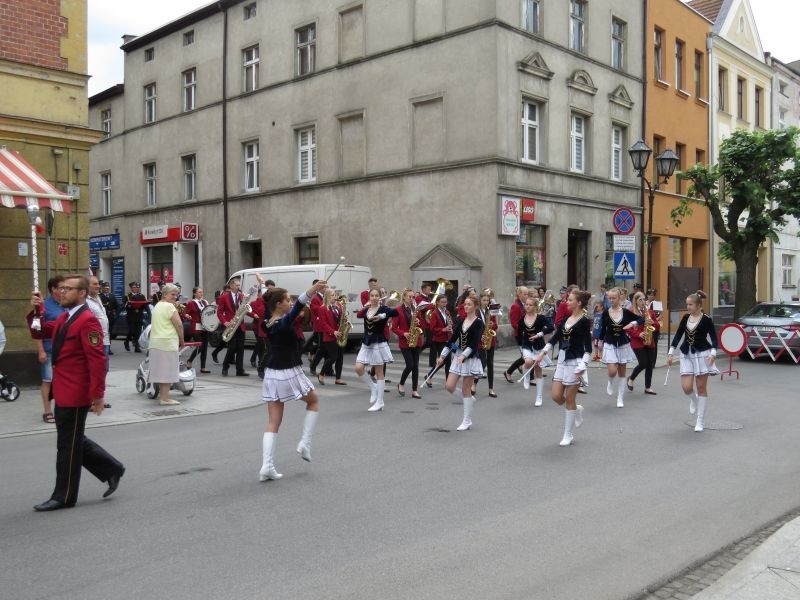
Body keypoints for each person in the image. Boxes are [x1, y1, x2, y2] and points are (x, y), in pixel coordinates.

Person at [28, 275, 125, 511]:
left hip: (77, 391)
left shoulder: (88, 321)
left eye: (68, 289)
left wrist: (98, 395)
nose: (62, 293)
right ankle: (112, 468)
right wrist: (37, 310)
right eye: (61, 289)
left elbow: (97, 361)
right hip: (63, 389)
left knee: (67, 446)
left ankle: (64, 496)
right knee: (72, 439)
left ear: (81, 293)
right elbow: (40, 332)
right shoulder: (65, 317)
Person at [258, 280, 328, 480]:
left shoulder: (266, 320)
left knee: (273, 422)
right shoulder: (283, 322)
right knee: (313, 401)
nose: (291, 302)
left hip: (272, 373)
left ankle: (267, 466)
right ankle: (305, 443)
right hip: (289, 371)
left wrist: (264, 287)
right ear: (279, 304)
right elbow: (299, 305)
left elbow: (268, 302)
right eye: (287, 299)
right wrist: (313, 290)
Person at [533, 289, 592, 446]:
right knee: (556, 396)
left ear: (579, 303)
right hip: (562, 360)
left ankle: (568, 434)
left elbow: (588, 347)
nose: (567, 302)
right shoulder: (566, 318)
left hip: (576, 362)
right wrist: (542, 353)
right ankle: (576, 409)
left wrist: (583, 364)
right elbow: (555, 338)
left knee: (570, 398)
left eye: (570, 299)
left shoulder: (585, 321)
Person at [667, 290, 719, 432]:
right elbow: (678, 335)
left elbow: (714, 338)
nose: (688, 307)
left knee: (701, 388)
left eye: (690, 304)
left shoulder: (706, 319)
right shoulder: (685, 318)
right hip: (686, 354)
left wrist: (713, 353)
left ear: (698, 306)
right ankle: (694, 400)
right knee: (686, 387)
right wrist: (671, 352)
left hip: (702, 354)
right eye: (687, 304)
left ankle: (700, 421)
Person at [435, 293, 484, 431]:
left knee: (465, 389)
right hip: (458, 356)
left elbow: (474, 343)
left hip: (470, 358)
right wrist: (442, 357)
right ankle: (467, 399)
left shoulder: (478, 322)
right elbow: (451, 340)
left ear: (475, 306)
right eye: (465, 304)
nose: (466, 306)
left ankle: (467, 420)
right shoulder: (462, 321)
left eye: (469, 304)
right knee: (449, 386)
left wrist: (464, 356)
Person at [355, 288, 399, 411]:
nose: (374, 298)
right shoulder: (367, 309)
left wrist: (382, 316)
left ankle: (380, 402)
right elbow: (359, 315)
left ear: (379, 297)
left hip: (378, 343)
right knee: (358, 368)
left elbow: (396, 313)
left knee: (379, 372)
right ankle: (373, 387)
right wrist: (365, 307)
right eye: (372, 295)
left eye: (376, 296)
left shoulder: (383, 308)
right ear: (369, 297)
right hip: (366, 342)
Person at [599, 286, 643, 408]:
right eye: (610, 298)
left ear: (619, 298)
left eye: (614, 298)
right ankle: (610, 381)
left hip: (623, 342)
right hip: (609, 342)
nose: (611, 300)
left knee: (622, 371)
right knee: (612, 370)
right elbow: (603, 329)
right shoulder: (606, 313)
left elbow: (640, 319)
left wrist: (632, 324)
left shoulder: (626, 312)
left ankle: (620, 398)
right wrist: (600, 343)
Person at [31, 275, 65, 423]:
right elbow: (36, 329)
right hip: (50, 349)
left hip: (66, 350)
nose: (65, 290)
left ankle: (62, 409)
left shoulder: (68, 303)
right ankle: (47, 411)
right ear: (53, 289)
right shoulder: (43, 306)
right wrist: (41, 350)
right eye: (62, 288)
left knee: (62, 381)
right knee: (48, 380)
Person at [147, 283, 185, 404]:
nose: (175, 297)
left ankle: (163, 397)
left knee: (160, 371)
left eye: (176, 294)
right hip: (167, 342)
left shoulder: (157, 305)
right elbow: (179, 325)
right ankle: (164, 398)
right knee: (168, 371)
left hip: (155, 342)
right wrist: (182, 340)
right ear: (164, 295)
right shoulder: (170, 307)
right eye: (172, 294)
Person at [517, 297, 553, 406]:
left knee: (538, 370)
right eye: (526, 304)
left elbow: (551, 327)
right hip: (527, 345)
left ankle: (539, 397)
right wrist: (520, 347)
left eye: (530, 305)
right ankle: (526, 374)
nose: (527, 306)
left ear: (535, 306)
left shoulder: (540, 318)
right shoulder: (522, 319)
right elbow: (519, 334)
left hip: (538, 346)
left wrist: (540, 334)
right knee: (528, 362)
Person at [627, 291, 661, 395]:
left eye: (643, 299)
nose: (642, 302)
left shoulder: (649, 312)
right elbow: (628, 328)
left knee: (650, 364)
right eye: (640, 300)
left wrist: (653, 323)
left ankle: (648, 387)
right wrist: (638, 334)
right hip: (637, 341)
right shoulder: (631, 312)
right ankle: (631, 378)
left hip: (649, 340)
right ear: (636, 301)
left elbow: (657, 325)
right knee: (643, 363)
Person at [391, 289, 424, 398]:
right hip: (405, 341)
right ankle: (401, 383)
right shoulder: (398, 310)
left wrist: (419, 322)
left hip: (416, 340)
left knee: (416, 366)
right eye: (409, 297)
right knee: (410, 365)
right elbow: (394, 328)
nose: (411, 299)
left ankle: (414, 390)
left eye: (413, 297)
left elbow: (420, 324)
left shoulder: (416, 309)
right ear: (404, 297)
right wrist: (403, 333)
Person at [216, 277, 251, 376]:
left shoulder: (241, 296)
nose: (238, 287)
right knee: (232, 347)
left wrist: (252, 312)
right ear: (231, 286)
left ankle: (240, 370)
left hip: (240, 325)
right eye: (237, 285)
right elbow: (219, 312)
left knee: (241, 348)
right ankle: (225, 367)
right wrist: (225, 322)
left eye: (239, 285)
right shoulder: (224, 297)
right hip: (231, 325)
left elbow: (245, 308)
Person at [316, 289, 346, 386]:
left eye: (335, 295)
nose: (335, 297)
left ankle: (338, 378)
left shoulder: (338, 306)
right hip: (330, 336)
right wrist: (333, 332)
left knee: (340, 357)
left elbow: (340, 319)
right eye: (332, 295)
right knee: (333, 357)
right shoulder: (323, 308)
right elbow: (323, 324)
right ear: (328, 297)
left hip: (340, 335)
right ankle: (321, 374)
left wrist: (344, 319)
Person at [475, 291, 499, 398]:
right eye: (484, 300)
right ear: (480, 301)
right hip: (480, 340)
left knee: (490, 364)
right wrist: (480, 336)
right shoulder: (476, 312)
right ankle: (474, 383)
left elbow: (496, 326)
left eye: (487, 300)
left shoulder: (491, 311)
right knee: (483, 363)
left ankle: (491, 389)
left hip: (490, 339)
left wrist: (492, 324)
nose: (486, 302)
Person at [85, 275, 111, 373]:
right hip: (95, 341)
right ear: (87, 286)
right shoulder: (85, 301)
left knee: (104, 370)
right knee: (97, 371)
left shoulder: (97, 297)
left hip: (105, 339)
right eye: (95, 284)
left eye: (98, 284)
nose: (98, 286)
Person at [426, 294, 453, 385]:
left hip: (448, 339)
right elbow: (432, 329)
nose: (444, 304)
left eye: (445, 302)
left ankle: (431, 376)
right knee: (446, 360)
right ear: (437, 302)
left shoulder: (447, 312)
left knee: (446, 361)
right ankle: (447, 381)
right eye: (442, 302)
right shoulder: (434, 313)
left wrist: (450, 326)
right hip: (439, 340)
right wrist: (443, 329)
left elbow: (449, 323)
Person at [503, 286, 528, 383]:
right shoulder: (516, 306)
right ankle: (508, 372)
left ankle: (526, 372)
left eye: (527, 294)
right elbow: (514, 323)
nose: (526, 296)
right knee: (525, 357)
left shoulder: (524, 304)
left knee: (527, 356)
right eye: (524, 294)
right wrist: (523, 330)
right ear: (519, 294)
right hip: (520, 335)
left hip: (526, 334)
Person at [184, 286, 211, 374]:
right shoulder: (191, 303)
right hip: (196, 327)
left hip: (205, 326)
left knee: (205, 347)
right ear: (195, 293)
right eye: (199, 292)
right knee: (200, 346)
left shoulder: (205, 302)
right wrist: (187, 316)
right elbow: (185, 313)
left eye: (201, 292)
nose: (201, 293)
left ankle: (203, 367)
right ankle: (190, 360)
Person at [124, 281, 147, 352]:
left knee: (138, 332)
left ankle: (137, 347)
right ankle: (127, 341)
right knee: (132, 331)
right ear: (131, 288)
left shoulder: (142, 296)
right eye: (134, 287)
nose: (136, 289)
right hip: (131, 316)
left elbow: (145, 305)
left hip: (139, 315)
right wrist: (130, 304)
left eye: (138, 287)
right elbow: (125, 306)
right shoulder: (128, 296)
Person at [211, 283, 230, 363]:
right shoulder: (221, 298)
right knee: (225, 340)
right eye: (227, 292)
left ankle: (230, 358)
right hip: (223, 322)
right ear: (224, 291)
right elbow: (219, 310)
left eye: (229, 292)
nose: (228, 293)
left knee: (228, 341)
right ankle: (215, 352)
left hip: (230, 320)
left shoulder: (230, 297)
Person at [99, 281, 119, 353]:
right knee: (102, 332)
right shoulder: (99, 296)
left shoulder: (112, 296)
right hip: (102, 316)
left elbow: (117, 306)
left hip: (110, 317)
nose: (107, 289)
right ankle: (101, 347)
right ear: (102, 288)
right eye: (105, 288)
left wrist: (116, 314)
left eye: (108, 288)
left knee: (109, 332)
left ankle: (108, 348)